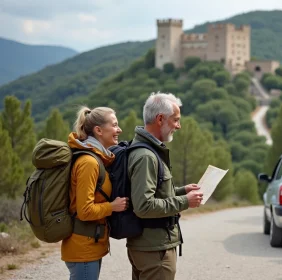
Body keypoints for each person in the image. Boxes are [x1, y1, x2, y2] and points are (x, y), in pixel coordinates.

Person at [127, 92, 203, 280]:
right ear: (160, 119)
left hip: (150, 246)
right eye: (175, 120)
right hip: (155, 250)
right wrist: (185, 201)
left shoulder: (147, 151)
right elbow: (144, 206)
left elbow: (154, 194)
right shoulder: (146, 156)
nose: (178, 126)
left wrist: (182, 191)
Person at [61, 106, 129, 280]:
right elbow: (85, 211)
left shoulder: (97, 158)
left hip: (89, 243)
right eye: (114, 125)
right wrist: (112, 207)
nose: (119, 130)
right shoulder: (89, 163)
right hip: (83, 246)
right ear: (99, 130)